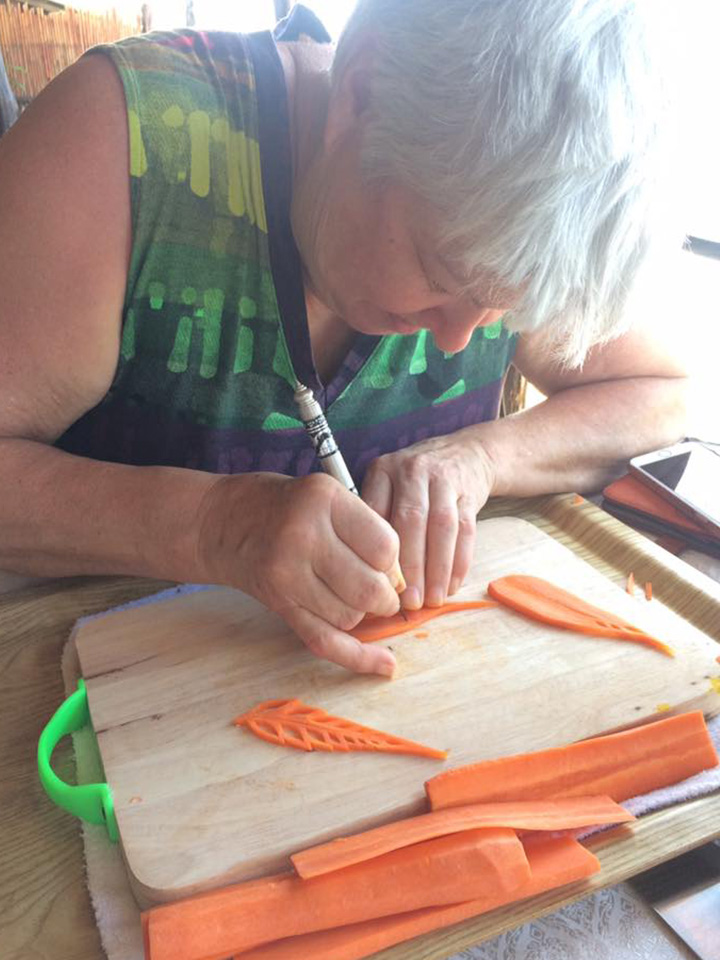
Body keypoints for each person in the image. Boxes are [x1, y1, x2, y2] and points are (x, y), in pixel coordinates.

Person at [0, 1, 687, 677]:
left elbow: (658, 396)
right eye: (440, 271)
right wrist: (210, 525)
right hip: (85, 701)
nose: (456, 343)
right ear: (358, 94)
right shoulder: (115, 141)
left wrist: (476, 459)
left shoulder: (508, 221)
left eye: (501, 312)